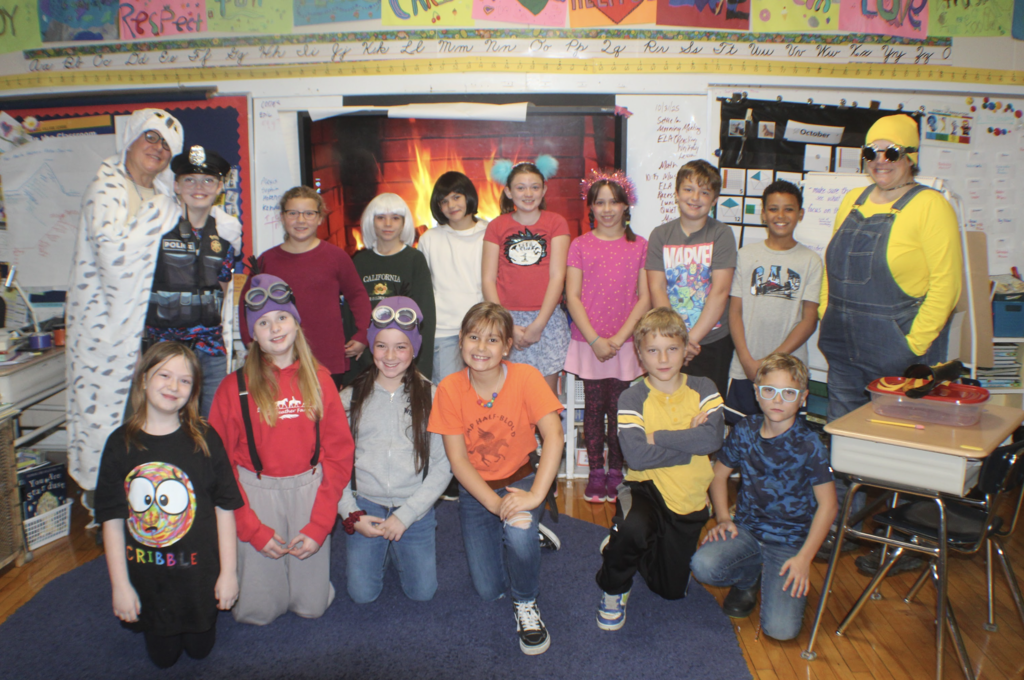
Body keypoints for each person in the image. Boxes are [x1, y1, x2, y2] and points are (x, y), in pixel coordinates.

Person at [817, 114, 962, 576]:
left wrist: (911, 347)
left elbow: (946, 288)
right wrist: (825, 313)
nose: (881, 162)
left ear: (911, 157)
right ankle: (836, 528)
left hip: (898, 353)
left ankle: (901, 542)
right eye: (873, 152)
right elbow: (831, 269)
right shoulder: (852, 200)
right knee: (842, 444)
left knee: (901, 452)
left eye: (892, 152)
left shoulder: (931, 206)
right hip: (843, 346)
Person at [209, 274, 354, 625]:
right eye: (262, 322)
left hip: (309, 491)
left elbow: (338, 453)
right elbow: (219, 466)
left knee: (312, 605)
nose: (274, 328)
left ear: (296, 322)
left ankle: (308, 572)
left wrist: (320, 523)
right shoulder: (233, 388)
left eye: (282, 317)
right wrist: (250, 527)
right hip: (254, 495)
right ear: (252, 335)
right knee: (258, 611)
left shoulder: (319, 380)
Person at [94, 342, 243, 668]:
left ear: (193, 392)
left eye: (185, 380)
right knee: (163, 659)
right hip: (149, 582)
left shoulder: (205, 439)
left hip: (199, 578)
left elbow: (225, 508)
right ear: (144, 379)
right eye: (164, 375)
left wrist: (229, 574)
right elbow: (111, 519)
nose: (173, 386)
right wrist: (120, 587)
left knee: (200, 650)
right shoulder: (120, 444)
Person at [428, 302, 564, 655]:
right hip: (477, 492)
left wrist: (534, 496)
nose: (481, 347)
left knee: (518, 537)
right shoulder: (449, 389)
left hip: (521, 480)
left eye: (492, 340)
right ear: (460, 341)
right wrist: (494, 503)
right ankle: (527, 531)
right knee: (489, 589)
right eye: (473, 337)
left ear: (507, 346)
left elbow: (555, 436)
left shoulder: (526, 378)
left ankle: (527, 603)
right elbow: (458, 461)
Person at [67, 108, 184, 503]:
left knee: (150, 414)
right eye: (151, 137)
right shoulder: (106, 189)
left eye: (166, 145)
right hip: (107, 326)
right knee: (106, 414)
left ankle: (144, 495)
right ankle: (103, 502)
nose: (158, 148)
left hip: (156, 326)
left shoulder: (168, 198)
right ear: (131, 139)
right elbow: (113, 253)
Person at [690, 353, 837, 641]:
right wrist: (722, 518)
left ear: (803, 398)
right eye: (769, 391)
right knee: (702, 565)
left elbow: (829, 506)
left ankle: (776, 576)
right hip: (746, 530)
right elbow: (718, 476)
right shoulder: (745, 430)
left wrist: (804, 558)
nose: (778, 400)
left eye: (789, 393)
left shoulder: (810, 445)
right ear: (757, 393)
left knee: (780, 631)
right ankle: (748, 578)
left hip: (790, 543)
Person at [595, 307, 724, 631]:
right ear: (640, 355)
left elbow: (713, 439)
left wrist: (657, 437)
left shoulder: (704, 387)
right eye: (653, 350)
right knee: (633, 529)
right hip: (644, 489)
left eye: (672, 349)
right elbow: (636, 458)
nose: (663, 358)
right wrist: (687, 445)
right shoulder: (631, 396)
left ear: (686, 350)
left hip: (689, 501)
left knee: (670, 591)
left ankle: (627, 547)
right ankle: (614, 586)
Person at [338, 296, 452, 603]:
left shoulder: (433, 396)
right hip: (367, 505)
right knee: (362, 595)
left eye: (401, 346)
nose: (390, 356)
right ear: (371, 347)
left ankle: (396, 544)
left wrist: (407, 515)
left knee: (422, 593)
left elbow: (444, 465)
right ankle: (382, 549)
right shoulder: (348, 398)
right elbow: (333, 463)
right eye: (381, 345)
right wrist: (351, 514)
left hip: (413, 506)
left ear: (414, 350)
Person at [565, 170, 650, 504]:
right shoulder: (580, 245)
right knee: (593, 408)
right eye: (600, 202)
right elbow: (572, 295)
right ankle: (595, 472)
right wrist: (596, 339)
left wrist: (618, 338)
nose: (607, 208)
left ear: (626, 205)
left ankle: (617, 470)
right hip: (589, 341)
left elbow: (644, 297)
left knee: (620, 410)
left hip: (625, 342)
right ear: (591, 207)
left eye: (614, 201)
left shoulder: (640, 245)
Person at [240, 186, 372, 389]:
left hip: (327, 355)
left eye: (309, 213)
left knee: (323, 415)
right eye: (293, 213)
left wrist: (363, 334)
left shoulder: (336, 257)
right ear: (282, 218)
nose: (300, 220)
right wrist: (250, 339)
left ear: (320, 218)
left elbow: (357, 296)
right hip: (280, 356)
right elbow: (246, 303)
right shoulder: (266, 261)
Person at [145, 146, 243, 417]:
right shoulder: (156, 230)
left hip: (210, 350)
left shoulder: (225, 236)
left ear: (220, 186)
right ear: (176, 186)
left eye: (208, 180)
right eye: (189, 179)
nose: (199, 186)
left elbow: (223, 288)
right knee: (164, 423)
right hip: (163, 347)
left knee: (211, 426)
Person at [724, 181, 822, 424]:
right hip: (745, 367)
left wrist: (769, 364)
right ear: (763, 214)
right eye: (773, 209)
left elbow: (809, 320)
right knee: (741, 439)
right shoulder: (745, 256)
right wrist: (748, 361)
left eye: (788, 209)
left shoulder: (811, 261)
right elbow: (734, 312)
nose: (780, 215)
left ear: (800, 214)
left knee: (783, 444)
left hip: (788, 373)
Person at [645, 159, 737, 398]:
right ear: (676, 194)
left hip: (712, 340)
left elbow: (720, 291)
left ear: (714, 200)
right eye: (688, 189)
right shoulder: (660, 235)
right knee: (669, 404)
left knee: (707, 409)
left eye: (704, 192)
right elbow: (657, 288)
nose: (695, 197)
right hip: (668, 342)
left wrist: (690, 340)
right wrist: (675, 340)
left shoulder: (722, 234)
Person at [483, 157, 570, 396]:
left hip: (546, 319)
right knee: (510, 392)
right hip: (506, 318)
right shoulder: (496, 226)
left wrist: (538, 325)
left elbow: (557, 276)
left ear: (544, 190)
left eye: (534, 187)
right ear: (509, 192)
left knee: (544, 395)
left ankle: (548, 435)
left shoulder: (556, 223)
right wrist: (507, 325)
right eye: (520, 187)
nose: (528, 193)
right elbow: (488, 280)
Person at [343, 193, 436, 383]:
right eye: (381, 218)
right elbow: (351, 311)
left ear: (404, 223)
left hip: (402, 358)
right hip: (365, 356)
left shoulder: (414, 260)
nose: (388, 224)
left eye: (395, 218)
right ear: (371, 222)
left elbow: (425, 314)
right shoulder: (360, 261)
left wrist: (420, 367)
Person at [420, 171, 489, 385]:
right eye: (444, 201)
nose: (451, 205)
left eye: (456, 197)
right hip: (445, 330)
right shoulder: (430, 239)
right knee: (446, 393)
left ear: (468, 196)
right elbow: (424, 287)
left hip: (483, 328)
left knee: (484, 392)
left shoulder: (490, 233)